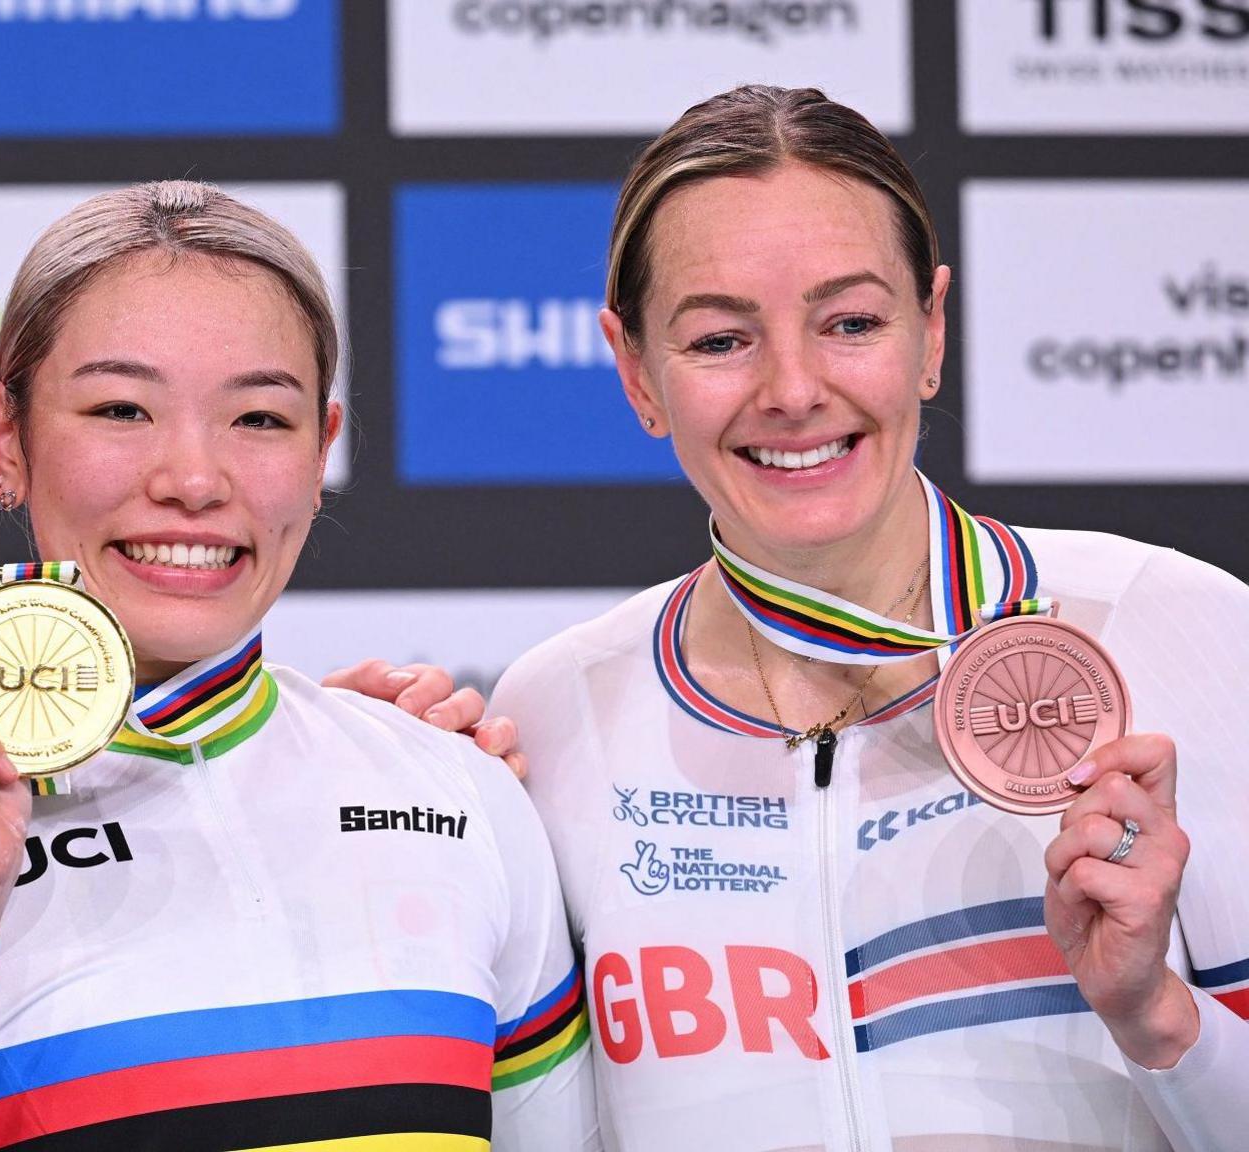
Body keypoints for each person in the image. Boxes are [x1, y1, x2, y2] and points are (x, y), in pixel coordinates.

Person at [0, 181, 598, 1151]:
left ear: (321, 448)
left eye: (259, 419)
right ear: (5, 437)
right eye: (121, 408)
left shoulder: (455, 790)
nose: (192, 479)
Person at [486, 85, 1245, 1150]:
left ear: (930, 333)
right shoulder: (553, 711)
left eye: (850, 322)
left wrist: (1156, 1016)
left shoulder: (1173, 631)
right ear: (632, 372)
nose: (793, 389)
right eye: (717, 341)